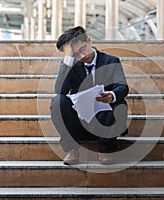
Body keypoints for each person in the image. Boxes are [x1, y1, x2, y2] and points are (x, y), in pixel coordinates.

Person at [50, 26, 129, 165]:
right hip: (79, 122)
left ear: (89, 40)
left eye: (82, 49)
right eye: (74, 55)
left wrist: (112, 95)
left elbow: (122, 86)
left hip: (105, 121)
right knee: (58, 100)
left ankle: (106, 149)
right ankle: (72, 149)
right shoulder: (70, 65)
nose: (81, 57)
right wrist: (69, 59)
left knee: (119, 102)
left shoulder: (111, 61)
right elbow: (60, 90)